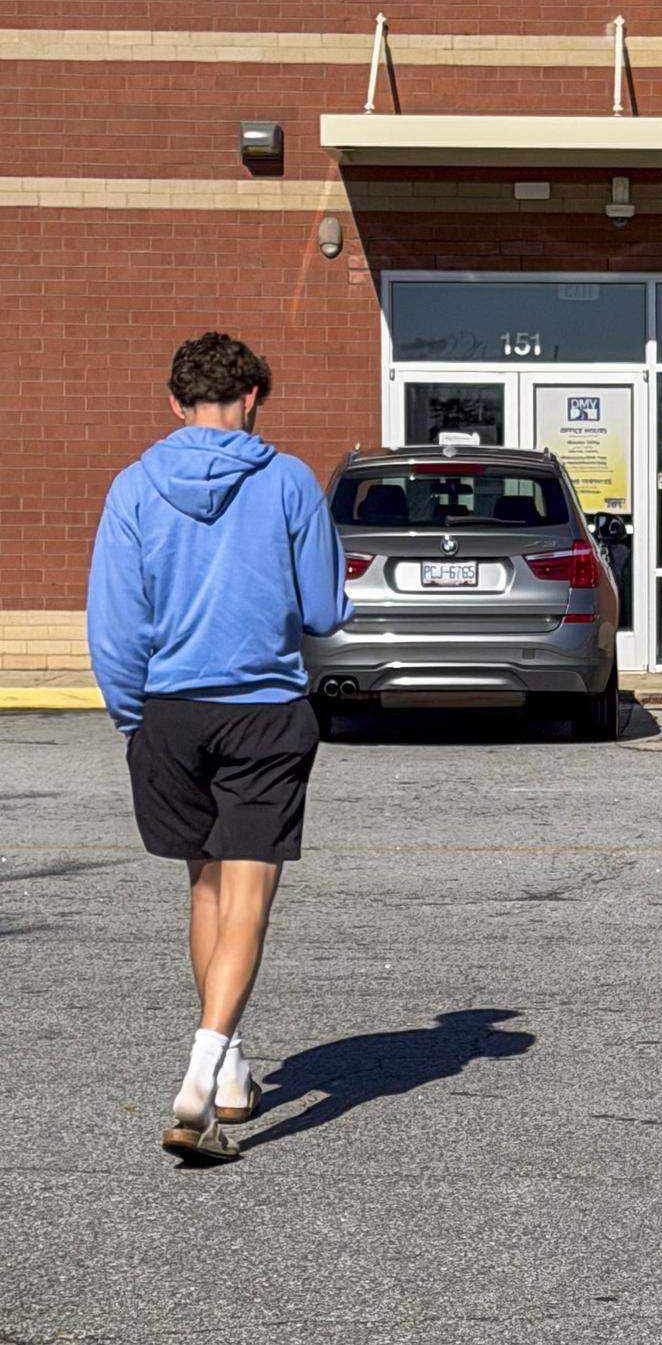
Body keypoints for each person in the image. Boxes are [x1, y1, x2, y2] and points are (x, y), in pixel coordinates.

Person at [87, 332, 352, 1163]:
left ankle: (231, 1064)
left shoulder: (133, 488)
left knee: (203, 887)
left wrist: (137, 720)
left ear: (176, 402)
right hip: (264, 708)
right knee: (248, 896)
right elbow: (323, 609)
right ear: (254, 398)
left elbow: (114, 628)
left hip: (168, 710)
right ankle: (200, 1078)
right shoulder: (287, 482)